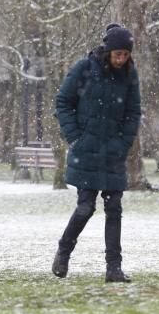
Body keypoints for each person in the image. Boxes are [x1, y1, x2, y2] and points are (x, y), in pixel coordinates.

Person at [51, 23, 142, 283]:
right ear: (108, 51)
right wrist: (76, 138)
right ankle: (64, 251)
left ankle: (114, 268)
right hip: (86, 150)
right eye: (118, 54)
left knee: (114, 208)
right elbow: (63, 102)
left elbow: (133, 112)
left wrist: (123, 143)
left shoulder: (129, 74)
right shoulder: (84, 69)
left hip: (113, 153)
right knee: (85, 208)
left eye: (126, 54)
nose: (122, 59)